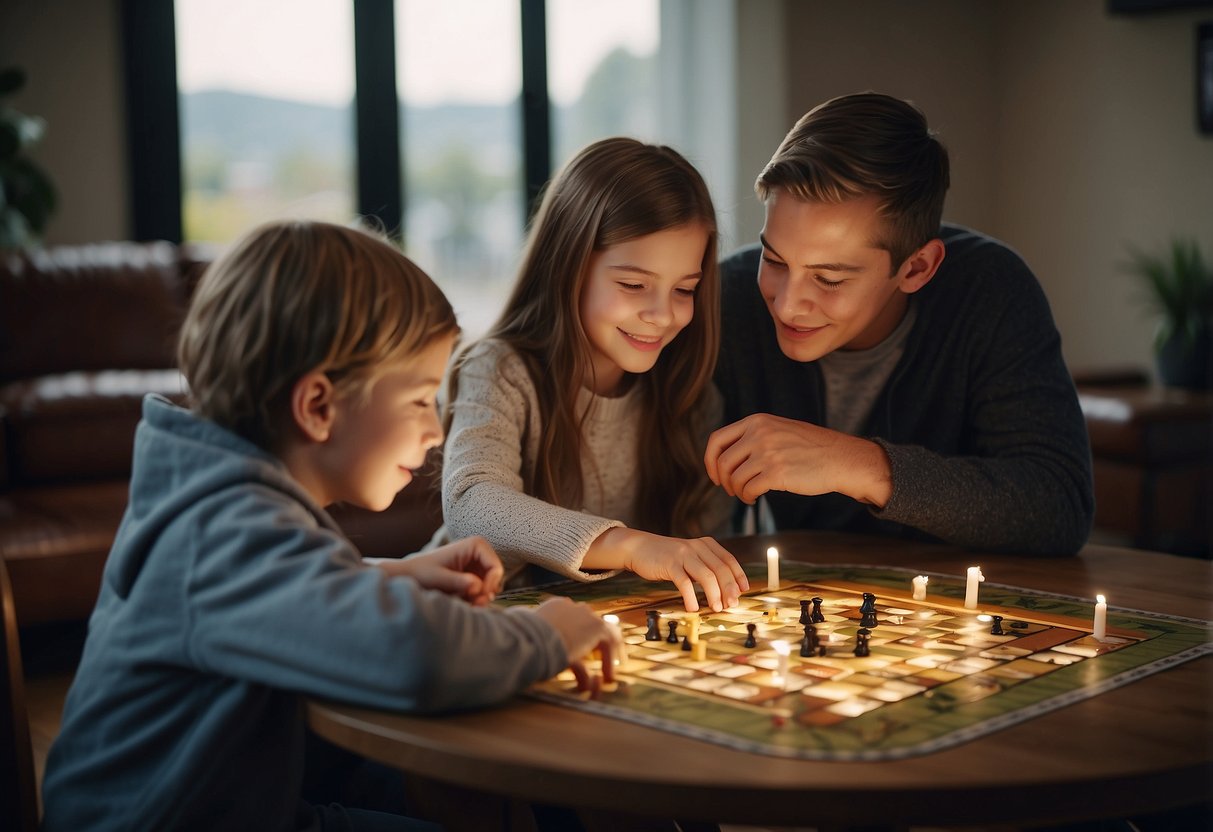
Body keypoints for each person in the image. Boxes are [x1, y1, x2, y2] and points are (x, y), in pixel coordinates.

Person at [41, 220, 619, 832]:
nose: (436, 431)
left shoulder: (220, 504)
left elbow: (276, 598)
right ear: (318, 406)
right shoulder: (227, 528)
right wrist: (547, 635)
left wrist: (392, 575)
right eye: (421, 399)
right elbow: (412, 657)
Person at [705, 92, 1094, 555]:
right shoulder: (727, 297)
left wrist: (857, 463)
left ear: (916, 269)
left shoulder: (990, 290)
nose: (788, 306)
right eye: (773, 259)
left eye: (829, 279)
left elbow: (1058, 506)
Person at [437, 137, 748, 612]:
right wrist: (631, 545)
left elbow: (700, 556)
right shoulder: (500, 369)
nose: (661, 315)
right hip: (465, 618)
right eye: (633, 285)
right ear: (568, 267)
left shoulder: (689, 393)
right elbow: (471, 505)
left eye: (684, 289)